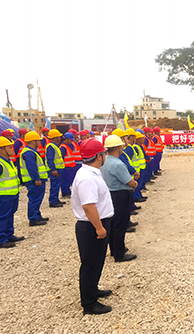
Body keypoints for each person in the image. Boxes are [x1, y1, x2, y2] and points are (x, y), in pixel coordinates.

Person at [71, 138, 115, 315]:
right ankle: (89, 304)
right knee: (90, 264)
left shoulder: (92, 173)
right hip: (91, 226)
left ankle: (93, 289)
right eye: (104, 153)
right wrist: (99, 227)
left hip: (97, 223)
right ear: (98, 156)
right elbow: (88, 206)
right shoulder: (87, 178)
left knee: (97, 261)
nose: (105, 156)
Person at [101, 135, 137, 263]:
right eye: (121, 146)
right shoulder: (117, 164)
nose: (122, 148)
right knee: (120, 224)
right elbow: (129, 181)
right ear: (117, 148)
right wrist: (134, 184)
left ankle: (114, 249)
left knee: (113, 224)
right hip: (120, 195)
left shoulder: (104, 161)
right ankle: (119, 253)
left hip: (110, 194)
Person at [0, 137, 25, 247]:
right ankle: (0, 239)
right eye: (9, 147)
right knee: (2, 216)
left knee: (9, 214)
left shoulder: (7, 161)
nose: (12, 149)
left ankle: (8, 234)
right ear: (1, 150)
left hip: (11, 194)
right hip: (2, 196)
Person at [20, 131, 53, 227]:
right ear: (33, 141)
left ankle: (37, 216)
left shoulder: (31, 151)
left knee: (37, 199)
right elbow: (32, 167)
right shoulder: (29, 153)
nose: (40, 142)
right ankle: (33, 218)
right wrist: (36, 179)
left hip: (37, 179)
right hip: (34, 180)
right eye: (38, 140)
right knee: (34, 199)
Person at [45, 129, 66, 207]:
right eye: (58, 136)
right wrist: (53, 169)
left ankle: (56, 200)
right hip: (55, 170)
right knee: (54, 185)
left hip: (58, 169)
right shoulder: (51, 147)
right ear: (55, 137)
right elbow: (50, 159)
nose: (60, 138)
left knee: (57, 185)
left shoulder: (54, 146)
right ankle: (53, 201)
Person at [60, 132, 77, 197]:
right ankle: (65, 192)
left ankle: (67, 190)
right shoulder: (63, 147)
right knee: (65, 180)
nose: (71, 141)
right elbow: (61, 158)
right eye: (71, 140)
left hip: (70, 167)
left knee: (69, 180)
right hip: (66, 167)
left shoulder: (67, 146)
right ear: (66, 139)